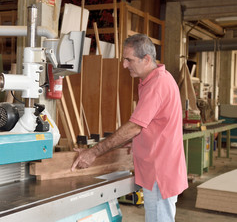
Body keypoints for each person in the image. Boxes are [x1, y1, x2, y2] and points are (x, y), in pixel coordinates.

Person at [71, 34, 188, 222]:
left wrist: (94, 152)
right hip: (157, 167)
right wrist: (137, 142)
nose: (125, 65)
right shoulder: (153, 80)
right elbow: (151, 124)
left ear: (147, 59)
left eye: (129, 60)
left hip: (160, 172)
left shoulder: (157, 84)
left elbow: (135, 126)